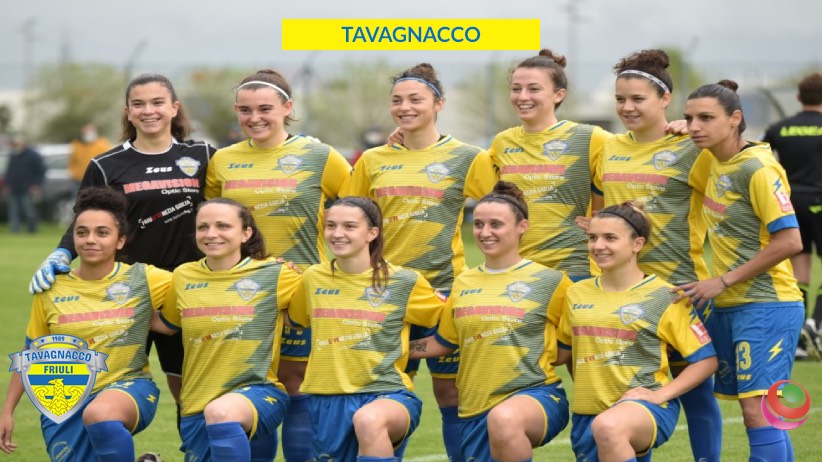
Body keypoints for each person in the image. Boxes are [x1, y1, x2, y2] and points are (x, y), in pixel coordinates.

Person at [28, 73, 216, 451]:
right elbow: (83, 220)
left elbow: (228, 215)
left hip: (184, 294)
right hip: (123, 294)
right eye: (139, 104)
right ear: (128, 112)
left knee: (190, 393)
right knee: (102, 391)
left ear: (174, 108)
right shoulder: (106, 164)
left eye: (157, 102)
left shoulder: (203, 156)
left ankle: (197, 456)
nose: (149, 111)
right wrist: (62, 253)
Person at [342, 62, 497, 462]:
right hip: (385, 294)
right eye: (397, 100)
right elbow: (350, 218)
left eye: (415, 99)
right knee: (383, 394)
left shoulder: (468, 157)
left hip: (445, 293)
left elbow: (506, 211)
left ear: (438, 104)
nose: (405, 107)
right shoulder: (373, 160)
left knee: (452, 392)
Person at [204, 68, 352, 461]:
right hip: (240, 295)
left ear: (287, 108)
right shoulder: (223, 160)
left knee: (295, 381)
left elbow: (360, 210)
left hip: (301, 292)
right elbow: (214, 221)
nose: (255, 118)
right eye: (245, 110)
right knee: (248, 385)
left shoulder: (320, 156)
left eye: (265, 109)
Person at [591, 49, 722, 461]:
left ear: (665, 99)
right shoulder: (607, 148)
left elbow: (740, 157)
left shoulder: (692, 149)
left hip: (679, 291)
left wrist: (694, 128)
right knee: (627, 394)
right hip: (622, 294)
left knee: (697, 395)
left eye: (638, 99)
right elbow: (600, 213)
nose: (627, 107)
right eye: (620, 99)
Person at [677, 80, 805, 462]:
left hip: (767, 303)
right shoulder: (710, 159)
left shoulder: (759, 168)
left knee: (756, 412)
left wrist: (723, 280)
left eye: (706, 118)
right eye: (689, 118)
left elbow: (790, 242)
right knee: (763, 412)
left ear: (735, 118)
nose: (695, 127)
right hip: (729, 306)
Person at [0, 187, 172, 461]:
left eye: (102, 233)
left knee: (100, 414)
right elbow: (32, 353)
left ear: (120, 240)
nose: (90, 240)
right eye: (82, 233)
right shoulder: (51, 288)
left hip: (128, 387)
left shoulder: (146, 279)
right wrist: (7, 411)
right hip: (64, 397)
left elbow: (198, 295)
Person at [408, 181, 571, 462]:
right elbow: (443, 342)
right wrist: (392, 347)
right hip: (474, 407)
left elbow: (569, 345)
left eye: (496, 224)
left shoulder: (552, 282)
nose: (485, 232)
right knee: (498, 423)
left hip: (536, 395)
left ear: (522, 226)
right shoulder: (464, 282)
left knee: (504, 419)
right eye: (479, 224)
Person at [285, 196, 445, 461]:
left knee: (369, 420)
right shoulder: (312, 278)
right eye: (331, 226)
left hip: (387, 393)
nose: (337, 233)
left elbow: (453, 324)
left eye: (349, 226)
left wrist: (410, 350)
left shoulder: (405, 281)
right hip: (325, 400)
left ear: (372, 233)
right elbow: (294, 319)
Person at [557, 203, 717, 462]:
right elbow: (561, 353)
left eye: (610, 238)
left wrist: (660, 395)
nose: (598, 245)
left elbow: (706, 361)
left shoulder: (666, 296)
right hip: (588, 414)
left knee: (609, 427)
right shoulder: (576, 293)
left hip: (646, 408)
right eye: (593, 238)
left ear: (637, 244)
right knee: (606, 427)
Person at [152, 198, 301, 462]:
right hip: (196, 402)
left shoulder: (276, 273)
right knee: (217, 417)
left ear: (246, 233)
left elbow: (315, 307)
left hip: (259, 391)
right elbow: (167, 323)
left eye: (223, 226)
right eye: (203, 227)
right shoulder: (184, 276)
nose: (211, 234)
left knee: (221, 414)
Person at [488, 49, 607, 281]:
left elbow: (638, 152)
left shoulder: (590, 138)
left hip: (575, 270)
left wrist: (677, 130)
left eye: (534, 89)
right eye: (516, 89)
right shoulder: (502, 142)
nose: (522, 96)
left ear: (558, 95)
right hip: (517, 271)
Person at [763, 72, 822, 352]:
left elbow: (760, 159)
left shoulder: (778, 128)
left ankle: (798, 337)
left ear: (798, 97)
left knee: (800, 270)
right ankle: (816, 323)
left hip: (789, 203)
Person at [3, 134, 46, 233]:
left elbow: (41, 171)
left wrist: (36, 185)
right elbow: (9, 172)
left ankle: (32, 229)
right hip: (14, 188)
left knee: (29, 211)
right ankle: (14, 230)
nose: (15, 147)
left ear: (24, 144)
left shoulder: (33, 156)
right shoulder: (13, 156)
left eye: (17, 144)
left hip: (28, 188)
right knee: (14, 211)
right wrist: (7, 185)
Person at [69, 123, 112, 192]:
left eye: (90, 130)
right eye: (86, 130)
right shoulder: (76, 144)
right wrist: (73, 173)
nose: (88, 133)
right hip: (78, 180)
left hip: (97, 180)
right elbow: (72, 161)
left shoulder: (102, 143)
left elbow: (107, 160)